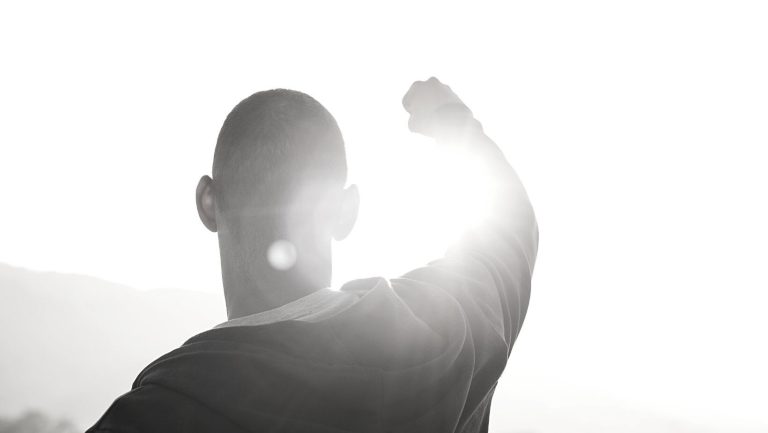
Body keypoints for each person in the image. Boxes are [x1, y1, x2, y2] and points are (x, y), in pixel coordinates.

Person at [87, 77, 539, 433]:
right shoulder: (446, 338)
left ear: (207, 202)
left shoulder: (157, 415)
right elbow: (508, 229)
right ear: (346, 211)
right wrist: (452, 122)